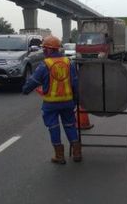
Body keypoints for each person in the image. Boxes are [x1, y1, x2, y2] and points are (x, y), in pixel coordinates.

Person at [22, 35, 82, 164]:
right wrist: (76, 99)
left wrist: (25, 90)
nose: (43, 51)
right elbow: (75, 82)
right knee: (70, 125)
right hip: (67, 102)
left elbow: (33, 81)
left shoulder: (45, 65)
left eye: (45, 49)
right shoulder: (68, 62)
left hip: (51, 104)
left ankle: (59, 156)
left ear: (50, 50)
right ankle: (77, 152)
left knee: (53, 127)